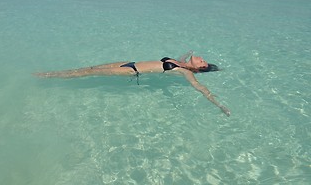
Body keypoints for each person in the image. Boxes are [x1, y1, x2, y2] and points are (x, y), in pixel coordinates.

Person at [34, 51, 231, 116]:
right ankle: (51, 74)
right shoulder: (181, 60)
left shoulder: (185, 71)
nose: (203, 59)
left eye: (204, 64)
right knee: (90, 67)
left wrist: (219, 105)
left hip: (131, 70)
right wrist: (190, 52)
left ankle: (47, 76)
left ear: (197, 69)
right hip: (128, 62)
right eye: (204, 60)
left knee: (86, 73)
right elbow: (187, 53)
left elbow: (201, 89)